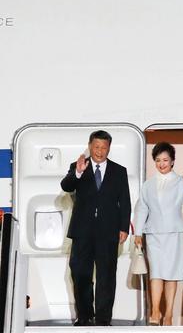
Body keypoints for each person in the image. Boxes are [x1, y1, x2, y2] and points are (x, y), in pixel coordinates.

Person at [60, 130, 131, 326]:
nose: (100, 151)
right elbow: (66, 186)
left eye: (104, 147)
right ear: (90, 146)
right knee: (80, 273)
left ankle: (103, 318)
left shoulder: (119, 171)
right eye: (96, 147)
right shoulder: (78, 166)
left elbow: (125, 201)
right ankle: (84, 315)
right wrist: (78, 172)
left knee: (106, 276)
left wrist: (124, 227)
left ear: (109, 148)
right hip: (82, 231)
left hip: (108, 231)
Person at [133, 142, 183, 326]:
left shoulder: (180, 181)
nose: (161, 164)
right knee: (156, 272)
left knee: (171, 274)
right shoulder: (148, 185)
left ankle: (168, 313)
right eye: (158, 160)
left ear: (172, 162)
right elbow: (141, 209)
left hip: (173, 233)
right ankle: (155, 310)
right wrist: (138, 232)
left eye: (165, 160)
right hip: (153, 233)